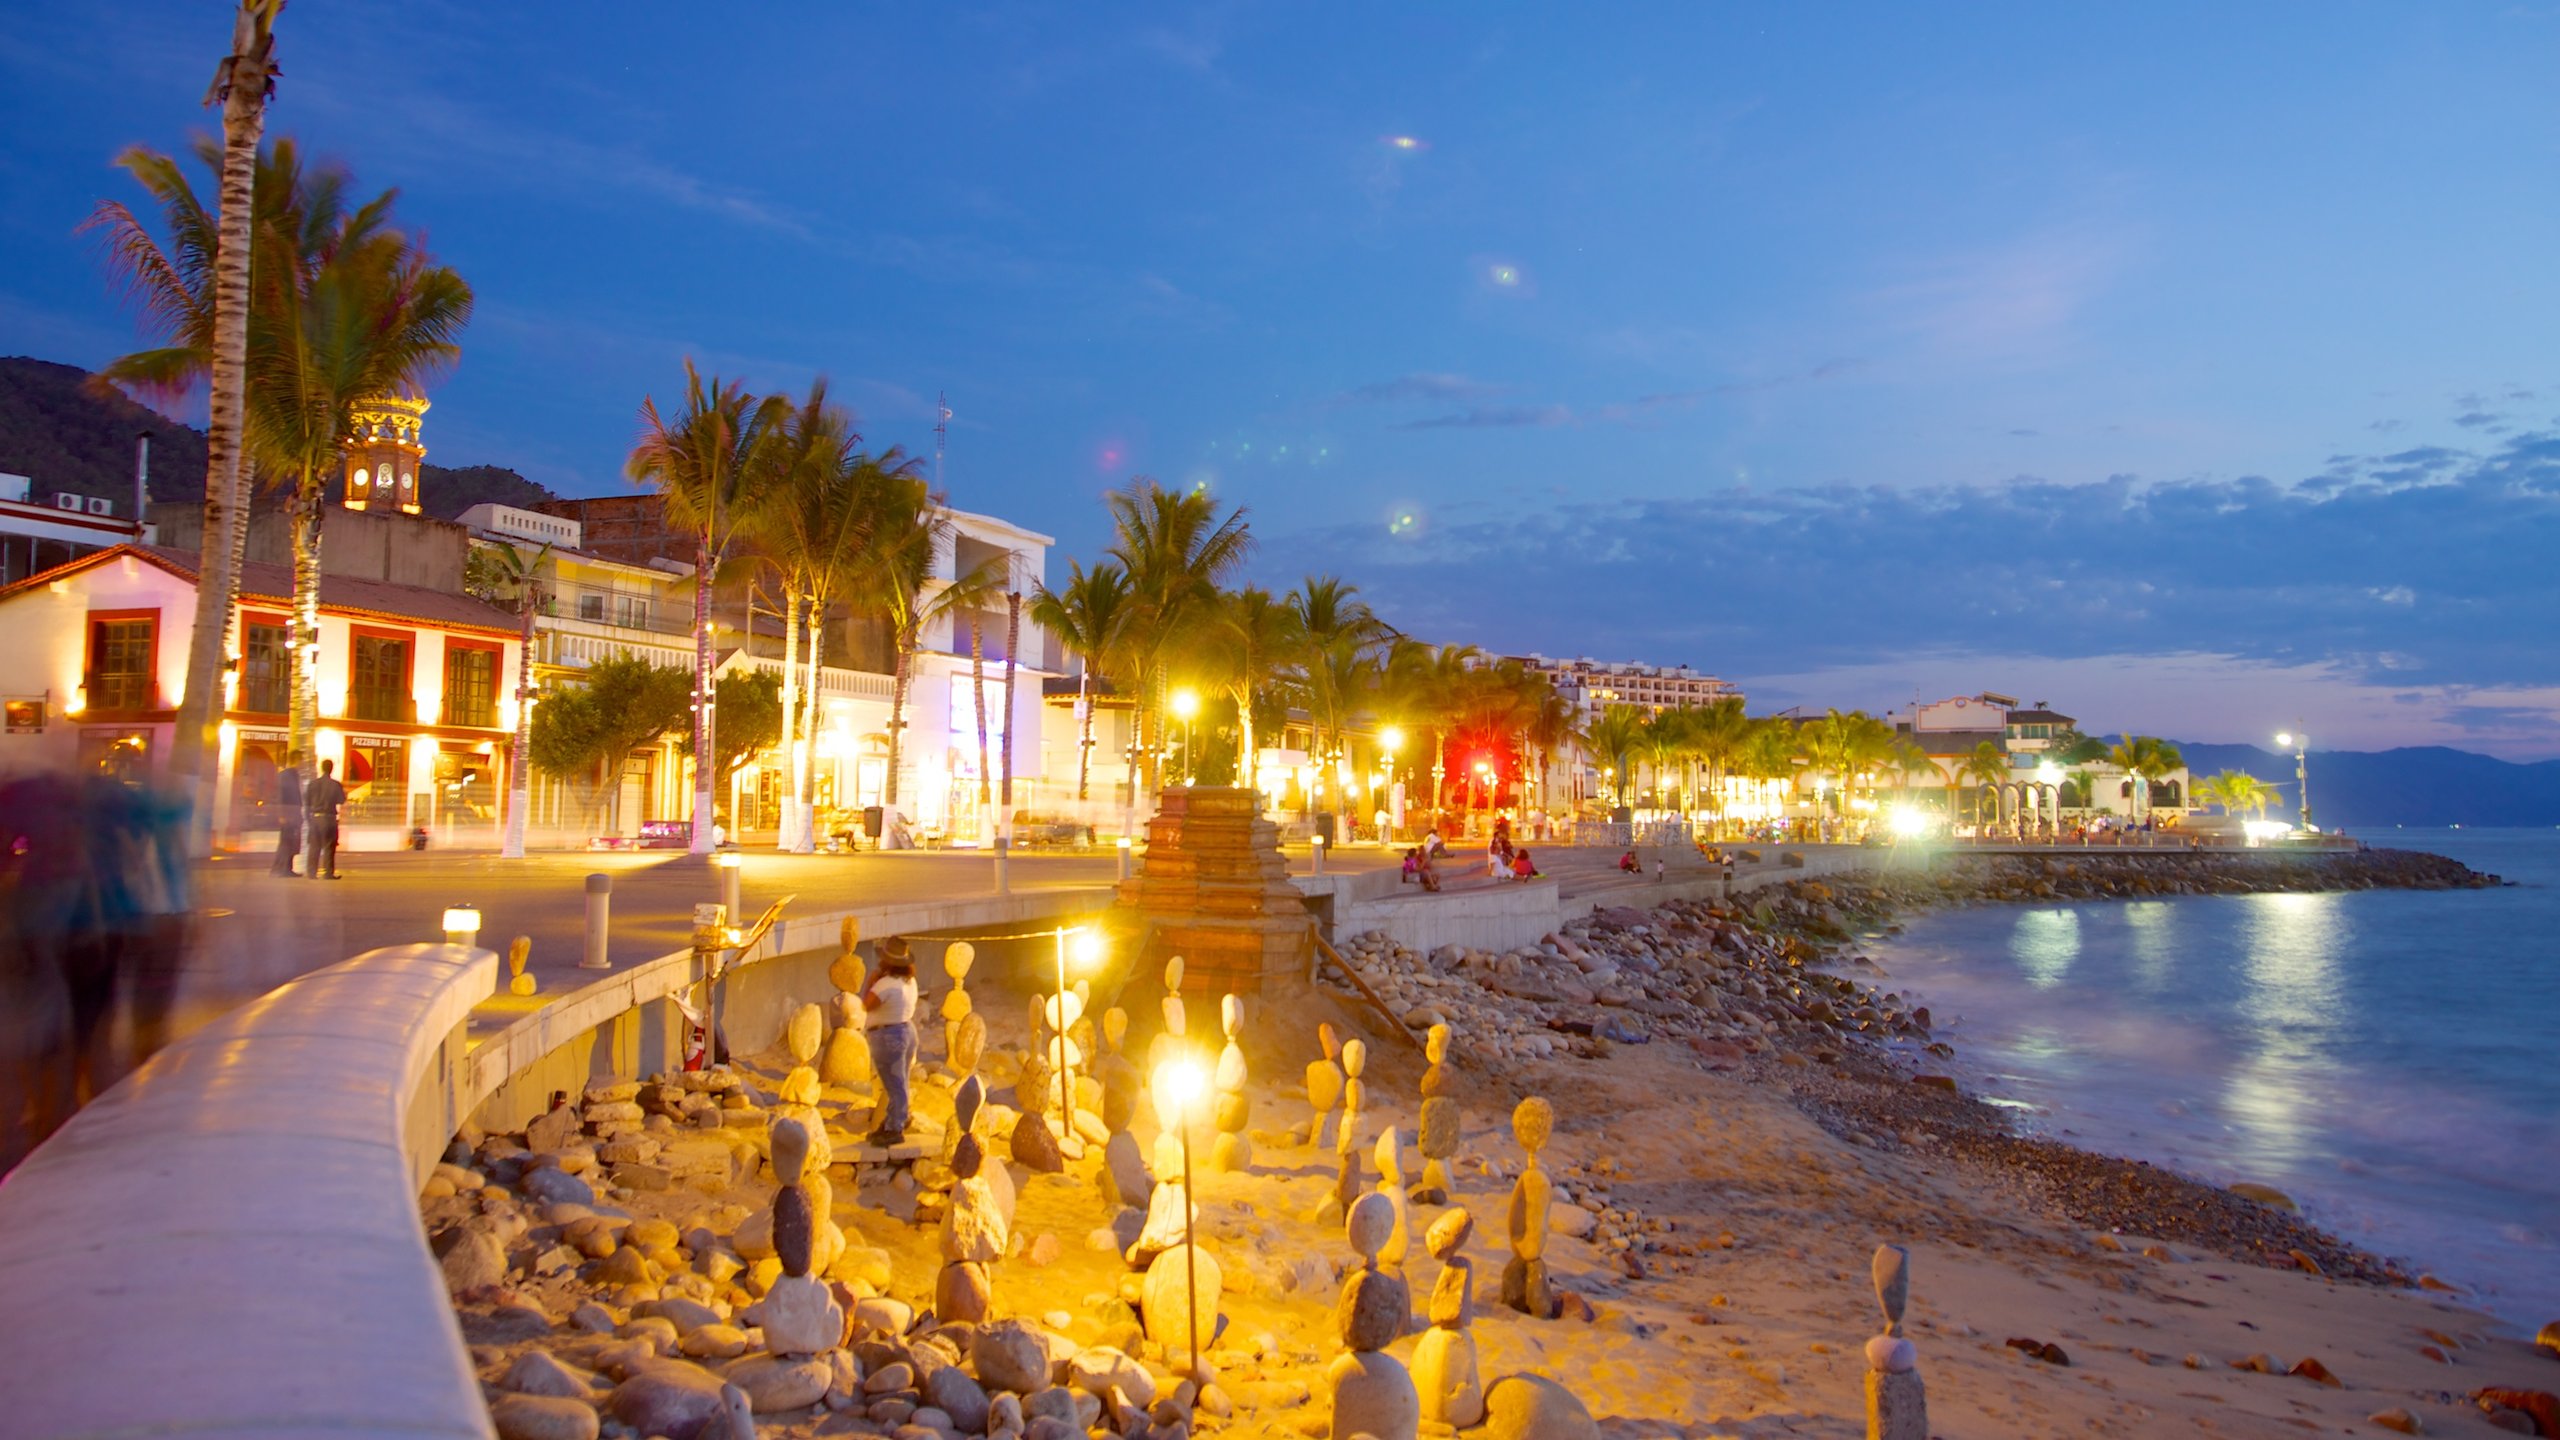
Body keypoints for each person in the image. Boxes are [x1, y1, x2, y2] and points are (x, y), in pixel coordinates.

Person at [860, 936, 920, 1146]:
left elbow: (866, 1004)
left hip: (888, 1035)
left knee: (894, 1084)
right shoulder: (909, 982)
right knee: (901, 1080)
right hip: (907, 1030)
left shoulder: (885, 985)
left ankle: (896, 1126)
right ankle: (893, 1120)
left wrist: (871, 981)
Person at [303, 758, 346, 880]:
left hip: (315, 818)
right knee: (329, 847)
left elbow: (307, 802)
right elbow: (341, 800)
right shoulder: (336, 785)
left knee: (314, 846)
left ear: (321, 768)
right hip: (329, 818)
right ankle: (328, 873)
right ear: (331, 769)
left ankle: (312, 872)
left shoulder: (313, 784)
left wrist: (308, 819)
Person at [268, 754, 303, 876]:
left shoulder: (294, 775)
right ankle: (280, 869)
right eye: (301, 760)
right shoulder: (286, 776)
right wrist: (282, 814)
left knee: (291, 841)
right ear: (296, 760)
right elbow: (281, 795)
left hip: (293, 814)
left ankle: (287, 868)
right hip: (289, 814)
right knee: (286, 842)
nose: (302, 764)